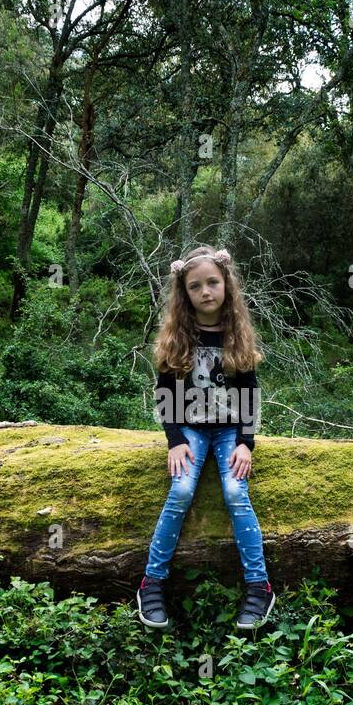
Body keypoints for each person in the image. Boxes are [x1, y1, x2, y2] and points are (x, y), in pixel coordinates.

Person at [136, 245, 276, 631]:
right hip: (191, 430)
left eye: (213, 282)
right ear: (186, 293)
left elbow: (250, 391)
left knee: (235, 492)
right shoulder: (180, 335)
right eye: (195, 286)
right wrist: (175, 439)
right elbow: (165, 392)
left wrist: (247, 441)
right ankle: (153, 582)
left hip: (231, 429)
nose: (206, 291)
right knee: (180, 490)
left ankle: (258, 585)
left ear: (226, 285)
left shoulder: (236, 334)